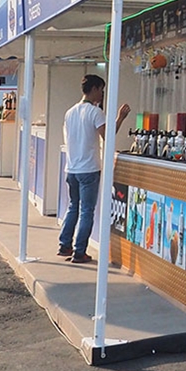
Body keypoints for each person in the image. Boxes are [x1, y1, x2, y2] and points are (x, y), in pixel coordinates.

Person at [57, 74, 130, 264]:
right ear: (95, 89)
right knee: (87, 210)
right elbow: (108, 136)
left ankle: (65, 244)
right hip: (88, 168)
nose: (102, 93)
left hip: (71, 168)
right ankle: (79, 251)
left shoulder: (70, 112)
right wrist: (120, 118)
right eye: (101, 89)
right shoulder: (95, 112)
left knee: (73, 206)